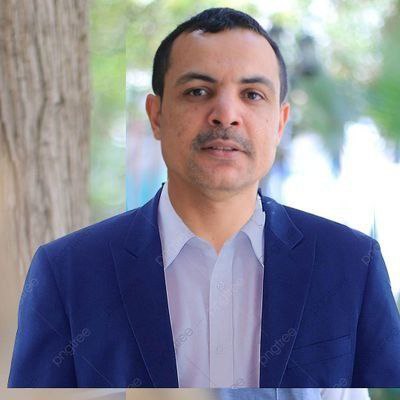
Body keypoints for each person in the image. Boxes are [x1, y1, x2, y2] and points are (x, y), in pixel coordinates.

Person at [8, 7, 400, 390]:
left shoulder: (351, 265)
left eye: (252, 94)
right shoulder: (68, 272)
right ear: (156, 115)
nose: (226, 114)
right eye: (198, 91)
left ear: (280, 123)